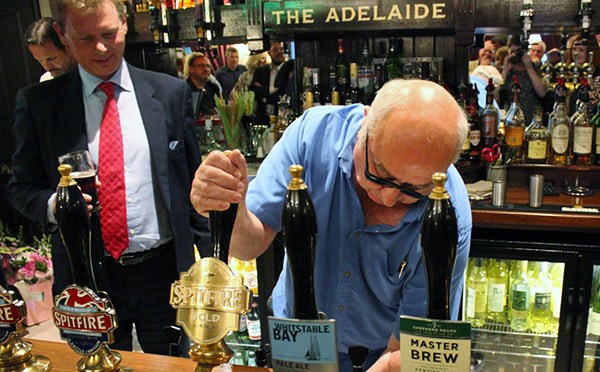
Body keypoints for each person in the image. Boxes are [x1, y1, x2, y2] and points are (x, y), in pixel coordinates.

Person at [190, 79, 472, 371]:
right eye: (379, 172)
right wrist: (226, 204)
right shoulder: (312, 136)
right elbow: (248, 245)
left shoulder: (449, 214)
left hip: (379, 355)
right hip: (297, 337)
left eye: (412, 190)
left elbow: (408, 350)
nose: (388, 198)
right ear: (365, 124)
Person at [9, 0, 209, 355]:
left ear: (125, 25)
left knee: (173, 365)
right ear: (63, 36)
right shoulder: (40, 103)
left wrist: (211, 263)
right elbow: (21, 188)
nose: (101, 48)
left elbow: (193, 188)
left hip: (162, 275)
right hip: (86, 276)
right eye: (85, 38)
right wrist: (57, 204)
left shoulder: (169, 93)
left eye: (109, 34)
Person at [500, 36, 547, 124]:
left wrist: (529, 68)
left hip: (531, 116)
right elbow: (497, 96)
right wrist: (505, 70)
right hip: (510, 117)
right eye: (513, 52)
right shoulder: (505, 70)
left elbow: (542, 93)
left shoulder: (534, 67)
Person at [24, 17, 76, 82]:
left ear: (68, 47)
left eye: (51, 59)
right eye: (40, 61)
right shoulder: (46, 80)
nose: (47, 67)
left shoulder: (90, 73)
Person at [249, 42, 287, 125]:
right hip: (262, 117)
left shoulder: (288, 70)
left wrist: (263, 90)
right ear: (269, 53)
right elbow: (252, 89)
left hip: (281, 115)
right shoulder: (260, 70)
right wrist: (271, 90)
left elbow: (283, 90)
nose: (279, 52)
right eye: (275, 50)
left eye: (281, 49)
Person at [183, 52, 222, 119]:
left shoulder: (213, 88)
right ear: (191, 69)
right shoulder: (183, 89)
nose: (206, 69)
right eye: (201, 66)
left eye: (208, 66)